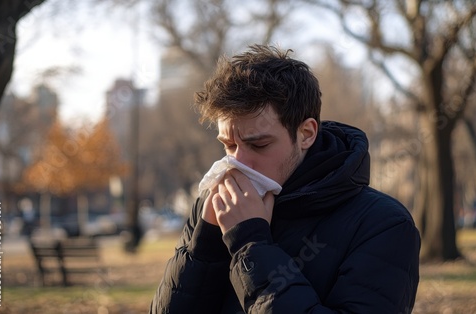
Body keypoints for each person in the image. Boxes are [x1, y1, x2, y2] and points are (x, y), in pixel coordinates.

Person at [150, 44, 420, 313]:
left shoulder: (383, 224)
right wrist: (206, 246)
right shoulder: (212, 209)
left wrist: (250, 244)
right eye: (229, 146)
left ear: (306, 134)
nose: (237, 162)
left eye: (258, 145)